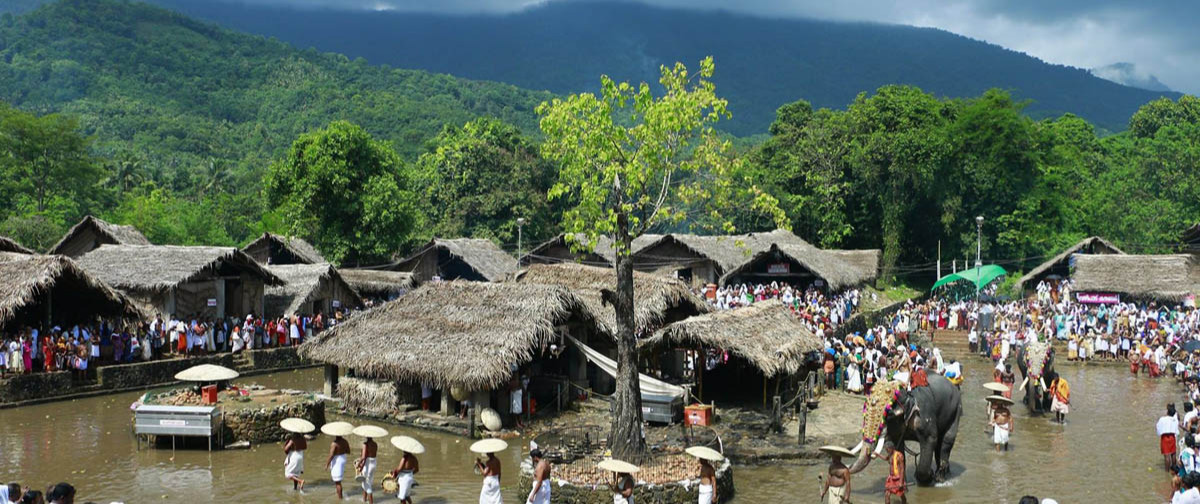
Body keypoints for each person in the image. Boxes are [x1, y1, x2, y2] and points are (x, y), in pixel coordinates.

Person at [327, 432, 350, 499]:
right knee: (338, 480)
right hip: (343, 458)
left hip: (337, 461)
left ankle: (340, 498)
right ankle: (339, 495)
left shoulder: (334, 443)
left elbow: (331, 455)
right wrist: (341, 450)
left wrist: (327, 464)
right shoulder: (345, 441)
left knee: (337, 482)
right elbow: (348, 451)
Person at [357, 435, 379, 504]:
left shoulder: (365, 444)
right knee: (367, 482)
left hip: (368, 464)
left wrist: (359, 463)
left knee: (367, 484)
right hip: (373, 463)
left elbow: (363, 457)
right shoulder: (375, 444)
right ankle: (364, 500)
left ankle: (371, 502)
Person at [1160, 403, 1181, 472]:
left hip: (1165, 437)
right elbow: (1177, 429)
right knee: (1173, 453)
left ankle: (1167, 471)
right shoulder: (1175, 420)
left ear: (1167, 412)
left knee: (1166, 455)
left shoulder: (1163, 419)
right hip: (1172, 436)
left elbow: (1158, 428)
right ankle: (1174, 468)